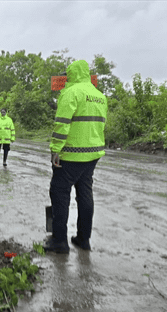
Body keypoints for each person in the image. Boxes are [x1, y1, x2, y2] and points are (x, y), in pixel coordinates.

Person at [44, 60, 107, 254]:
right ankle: (83, 239)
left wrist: (55, 149)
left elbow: (62, 124)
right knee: (85, 195)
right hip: (92, 155)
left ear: (71, 74)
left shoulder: (70, 93)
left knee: (59, 193)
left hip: (71, 155)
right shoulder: (99, 95)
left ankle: (59, 241)